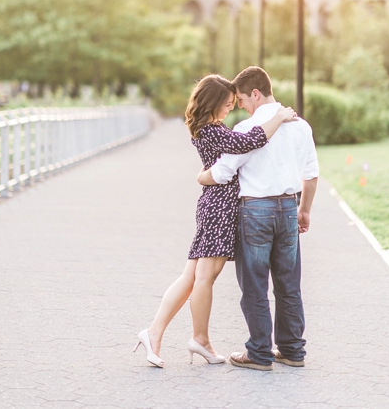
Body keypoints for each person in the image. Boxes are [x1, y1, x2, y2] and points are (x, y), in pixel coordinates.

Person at [134, 73, 297, 368]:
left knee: (191, 278)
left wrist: (202, 175)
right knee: (204, 278)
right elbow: (253, 140)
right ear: (212, 102)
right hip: (220, 208)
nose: (230, 109)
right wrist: (281, 116)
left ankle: (155, 332)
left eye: (234, 103)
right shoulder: (214, 131)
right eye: (226, 104)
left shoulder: (209, 128)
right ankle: (199, 339)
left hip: (213, 205)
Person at [197, 66, 319, 371]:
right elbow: (312, 174)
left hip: (255, 212)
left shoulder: (244, 130)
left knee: (254, 285)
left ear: (255, 93)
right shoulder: (300, 126)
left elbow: (224, 172)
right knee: (288, 285)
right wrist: (304, 209)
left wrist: (201, 177)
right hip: (289, 209)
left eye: (240, 99)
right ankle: (292, 350)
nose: (239, 106)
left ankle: (260, 353)